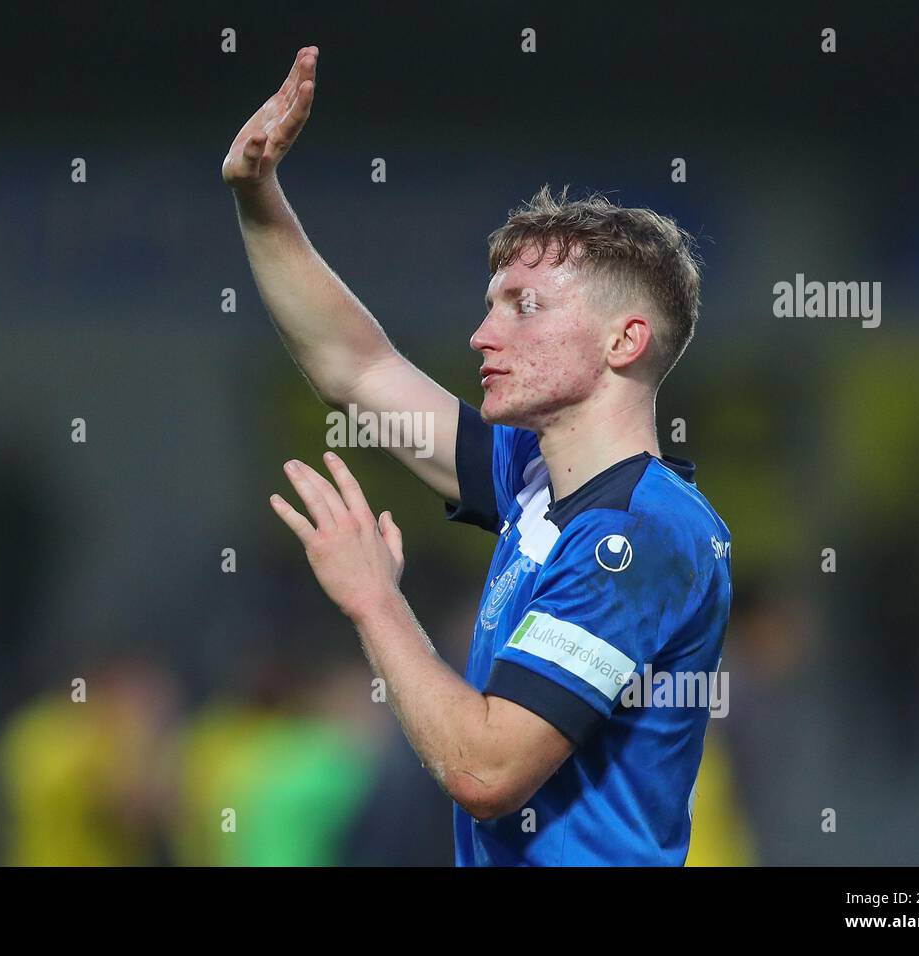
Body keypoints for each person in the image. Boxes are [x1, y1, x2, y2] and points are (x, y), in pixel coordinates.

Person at [223, 46, 732, 865]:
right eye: (489, 306)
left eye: (522, 308)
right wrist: (256, 195)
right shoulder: (532, 480)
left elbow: (486, 769)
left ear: (625, 340)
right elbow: (357, 367)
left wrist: (372, 600)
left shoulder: (634, 539)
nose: (481, 336)